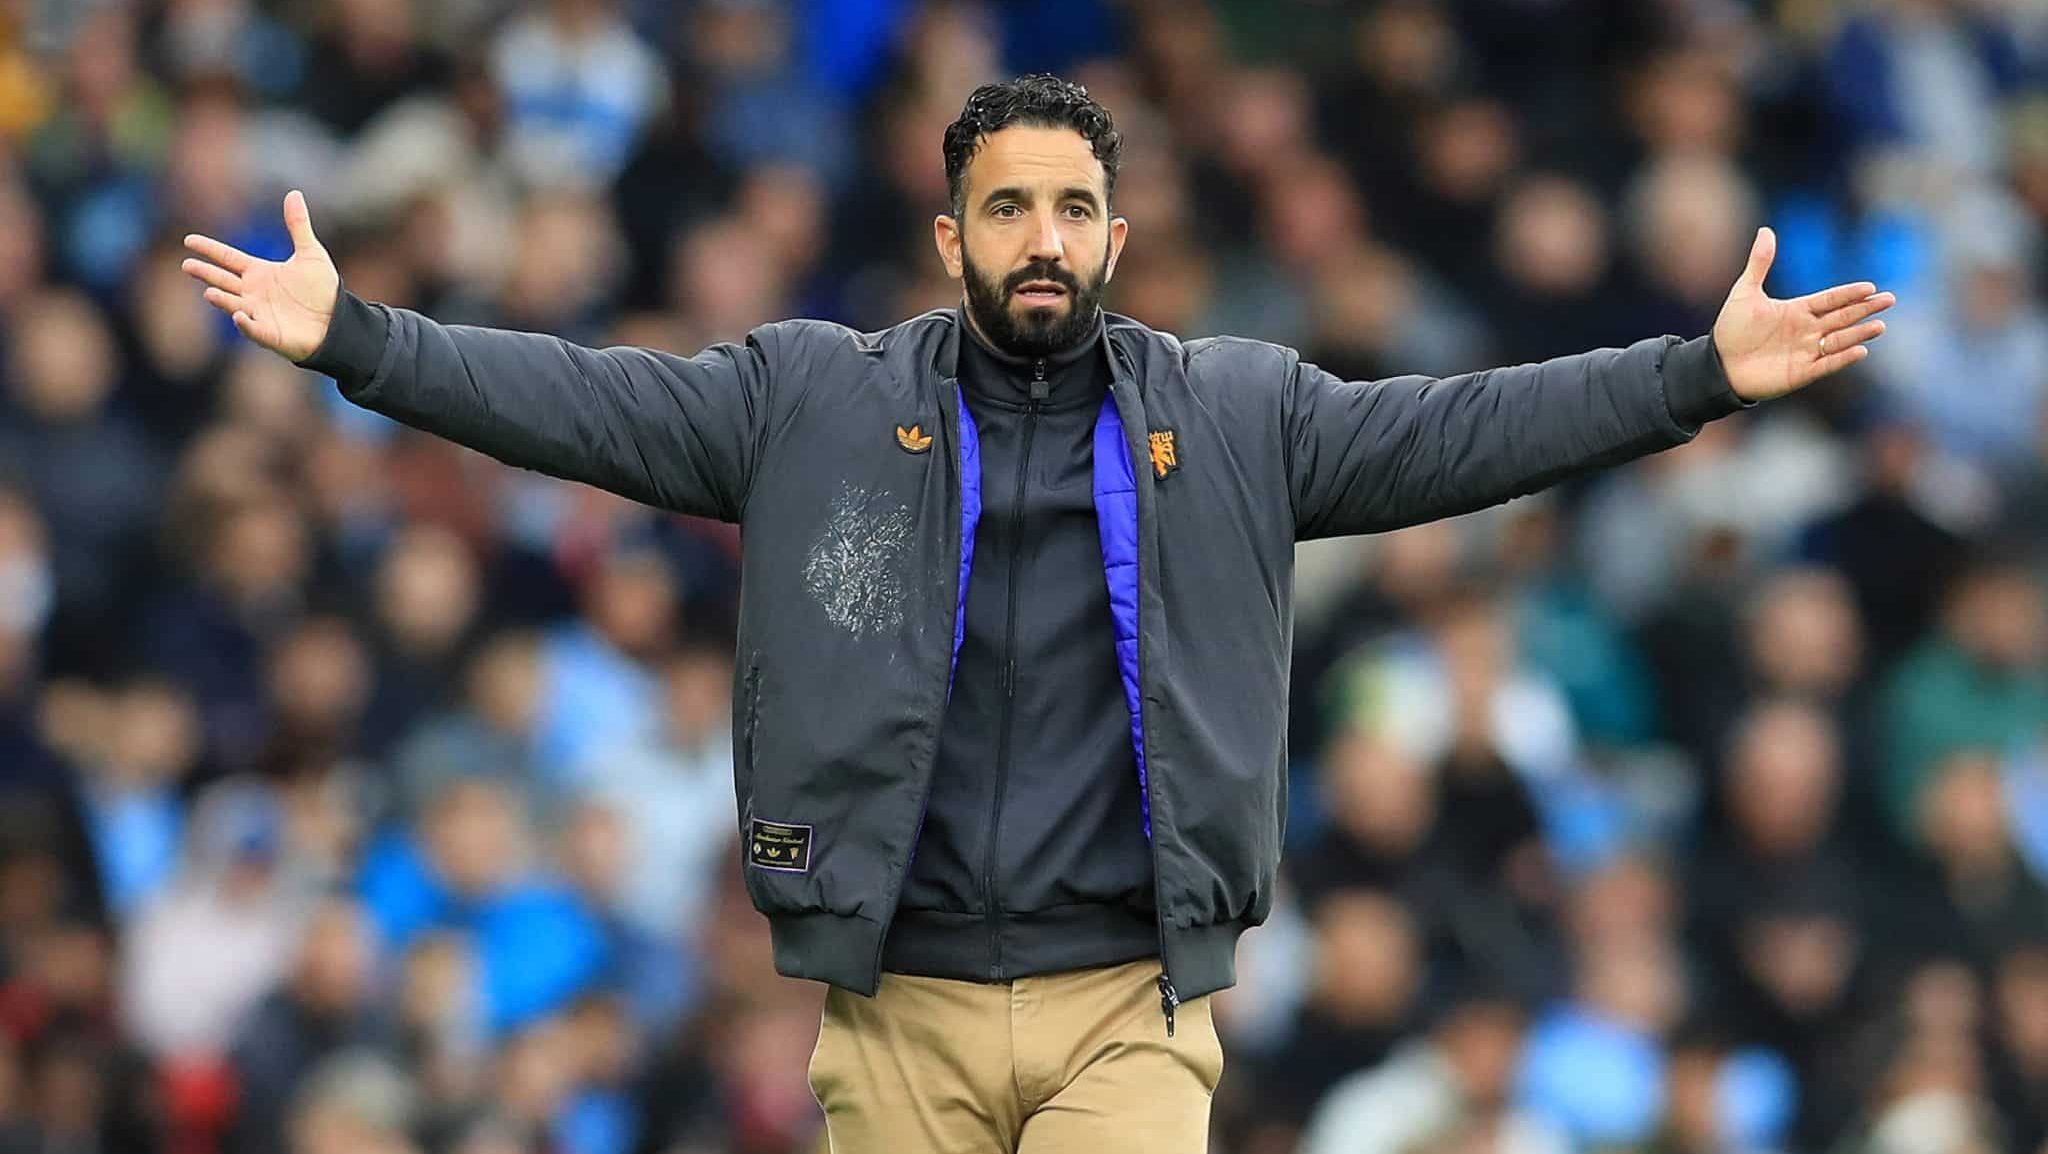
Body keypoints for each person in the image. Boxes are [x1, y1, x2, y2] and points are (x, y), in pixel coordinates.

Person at [181, 73, 1895, 1154]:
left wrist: (1693, 375)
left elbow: (1468, 428)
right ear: (950, 237)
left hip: (1128, 1007)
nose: (1044, 236)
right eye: (1008, 206)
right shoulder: (809, 398)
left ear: (1120, 235)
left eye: (1074, 207)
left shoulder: (1237, 412)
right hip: (898, 1008)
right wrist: (361, 340)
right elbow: (579, 402)